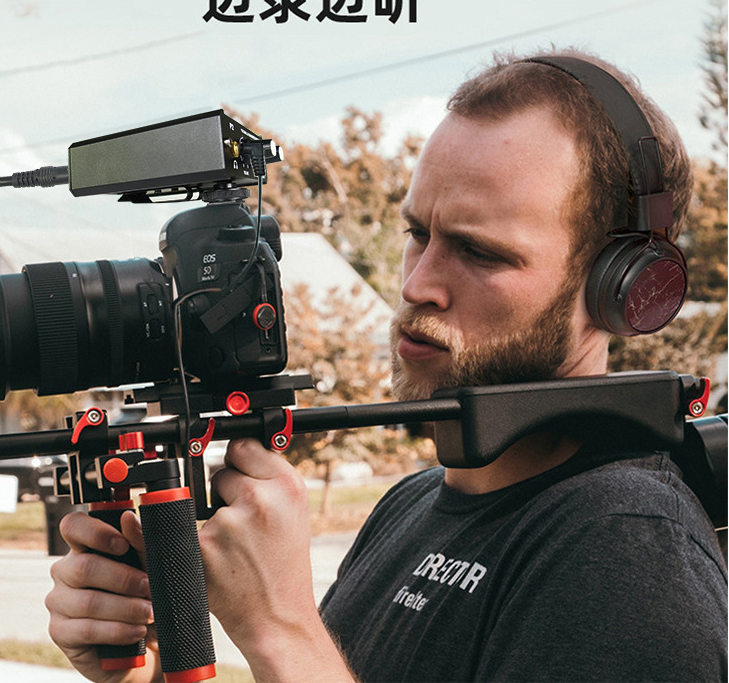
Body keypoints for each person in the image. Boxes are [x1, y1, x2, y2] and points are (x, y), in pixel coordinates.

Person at [45, 49, 727, 683]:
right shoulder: (411, 502)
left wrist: (280, 629)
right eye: (418, 234)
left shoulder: (628, 549)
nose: (417, 284)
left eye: (479, 252)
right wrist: (151, 673)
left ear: (624, 290)